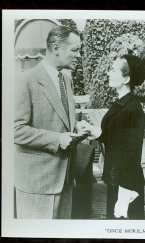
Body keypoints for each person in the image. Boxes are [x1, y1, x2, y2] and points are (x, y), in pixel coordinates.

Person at [14, 25, 81, 219]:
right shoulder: (25, 80)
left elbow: (59, 120)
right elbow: (16, 130)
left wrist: (78, 127)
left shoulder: (66, 80)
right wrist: (57, 139)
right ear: (56, 48)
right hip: (37, 185)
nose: (78, 55)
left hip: (65, 181)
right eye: (75, 50)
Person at [77, 54, 145, 219]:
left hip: (126, 183)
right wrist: (91, 129)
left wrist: (124, 194)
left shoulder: (133, 109)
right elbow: (114, 137)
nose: (109, 73)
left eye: (113, 70)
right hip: (117, 176)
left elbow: (132, 153)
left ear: (126, 79)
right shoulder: (122, 104)